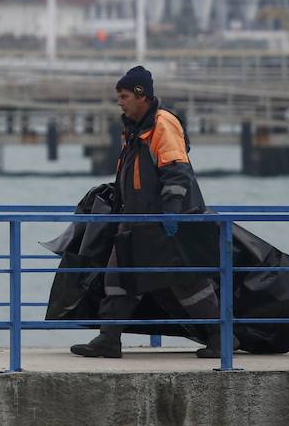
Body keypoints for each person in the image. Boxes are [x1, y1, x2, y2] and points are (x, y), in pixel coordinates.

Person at [70, 65, 227, 358]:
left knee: (189, 283)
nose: (119, 101)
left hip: (169, 221)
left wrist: (171, 214)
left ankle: (221, 339)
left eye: (124, 95)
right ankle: (109, 339)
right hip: (136, 221)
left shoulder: (162, 123)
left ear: (141, 95)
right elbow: (132, 176)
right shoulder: (132, 129)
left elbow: (176, 171)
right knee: (119, 277)